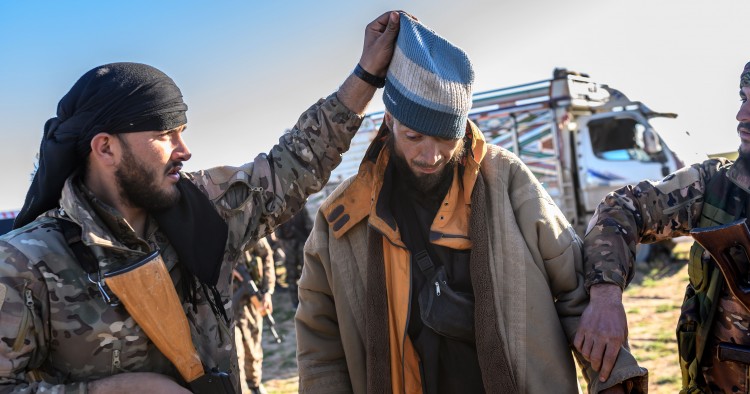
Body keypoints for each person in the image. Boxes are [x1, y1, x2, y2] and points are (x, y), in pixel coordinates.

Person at [0, 11, 400, 393]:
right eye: (164, 135)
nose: (185, 150)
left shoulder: (205, 207)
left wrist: (365, 75)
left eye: (182, 131)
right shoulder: (27, 265)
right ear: (105, 148)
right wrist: (108, 390)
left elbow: (295, 161)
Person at [295, 13, 646, 394]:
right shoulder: (341, 222)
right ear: (390, 119)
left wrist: (612, 376)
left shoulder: (508, 182)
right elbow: (321, 354)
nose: (430, 156)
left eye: (447, 139)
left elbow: (573, 290)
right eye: (414, 137)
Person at [577, 61, 750, 393]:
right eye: (742, 98)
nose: (742, 114)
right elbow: (623, 208)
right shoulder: (714, 187)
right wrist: (605, 298)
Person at [233, 236, 275, 394]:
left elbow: (267, 256)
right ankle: (241, 389)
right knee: (235, 354)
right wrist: (225, 270)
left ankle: (255, 385)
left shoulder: (248, 229)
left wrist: (267, 291)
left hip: (251, 301)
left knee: (253, 346)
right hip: (226, 304)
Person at [275, 208, 312, 308]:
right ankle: (295, 301)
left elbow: (309, 224)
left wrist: (309, 242)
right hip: (289, 246)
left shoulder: (300, 207)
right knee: (292, 274)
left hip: (302, 243)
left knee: (308, 271)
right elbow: (278, 234)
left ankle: (311, 297)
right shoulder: (279, 212)